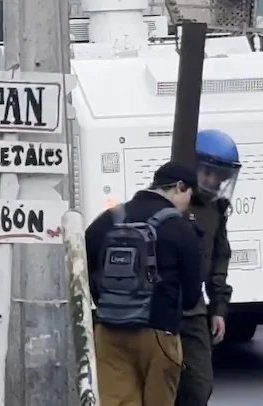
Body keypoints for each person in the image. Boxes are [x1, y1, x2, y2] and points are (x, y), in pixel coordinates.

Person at [85, 161, 203, 406]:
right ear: (180, 187)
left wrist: (108, 300)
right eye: (190, 196)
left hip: (109, 331)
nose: (187, 206)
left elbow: (82, 265)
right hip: (159, 331)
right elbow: (192, 296)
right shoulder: (180, 227)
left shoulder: (109, 219)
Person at [176, 129, 241, 406]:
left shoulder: (216, 211)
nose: (213, 181)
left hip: (194, 308)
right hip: (159, 305)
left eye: (220, 176)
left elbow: (218, 262)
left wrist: (219, 309)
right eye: (207, 172)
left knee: (200, 384)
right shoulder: (172, 200)